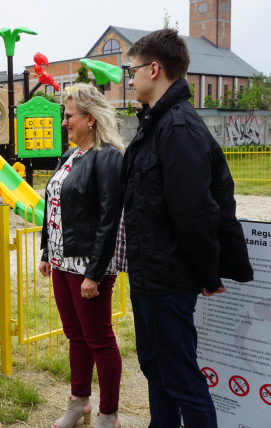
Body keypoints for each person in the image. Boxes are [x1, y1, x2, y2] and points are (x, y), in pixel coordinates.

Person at [123, 28, 252, 426]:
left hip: (168, 279)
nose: (130, 80)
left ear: (154, 69)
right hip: (150, 274)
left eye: (132, 71)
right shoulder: (155, 123)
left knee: (181, 378)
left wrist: (208, 274)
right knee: (157, 370)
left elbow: (195, 213)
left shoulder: (178, 128)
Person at [39, 84, 124, 428]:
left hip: (89, 266)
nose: (64, 122)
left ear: (90, 118)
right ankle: (79, 403)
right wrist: (47, 250)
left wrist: (94, 273)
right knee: (75, 335)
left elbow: (109, 219)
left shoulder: (108, 157)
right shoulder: (70, 156)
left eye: (69, 116)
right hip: (62, 262)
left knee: (99, 339)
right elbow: (53, 206)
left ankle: (108, 413)